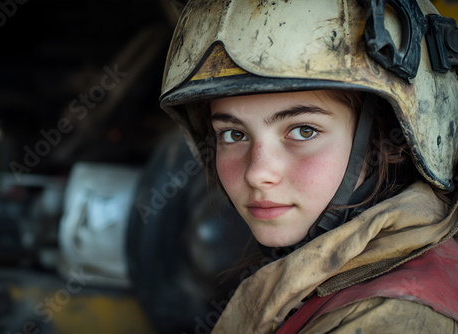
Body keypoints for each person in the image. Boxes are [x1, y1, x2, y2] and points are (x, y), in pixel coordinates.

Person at [159, 0, 458, 332]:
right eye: (233, 133)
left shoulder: (393, 318)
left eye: (304, 131)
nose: (257, 173)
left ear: (392, 141)